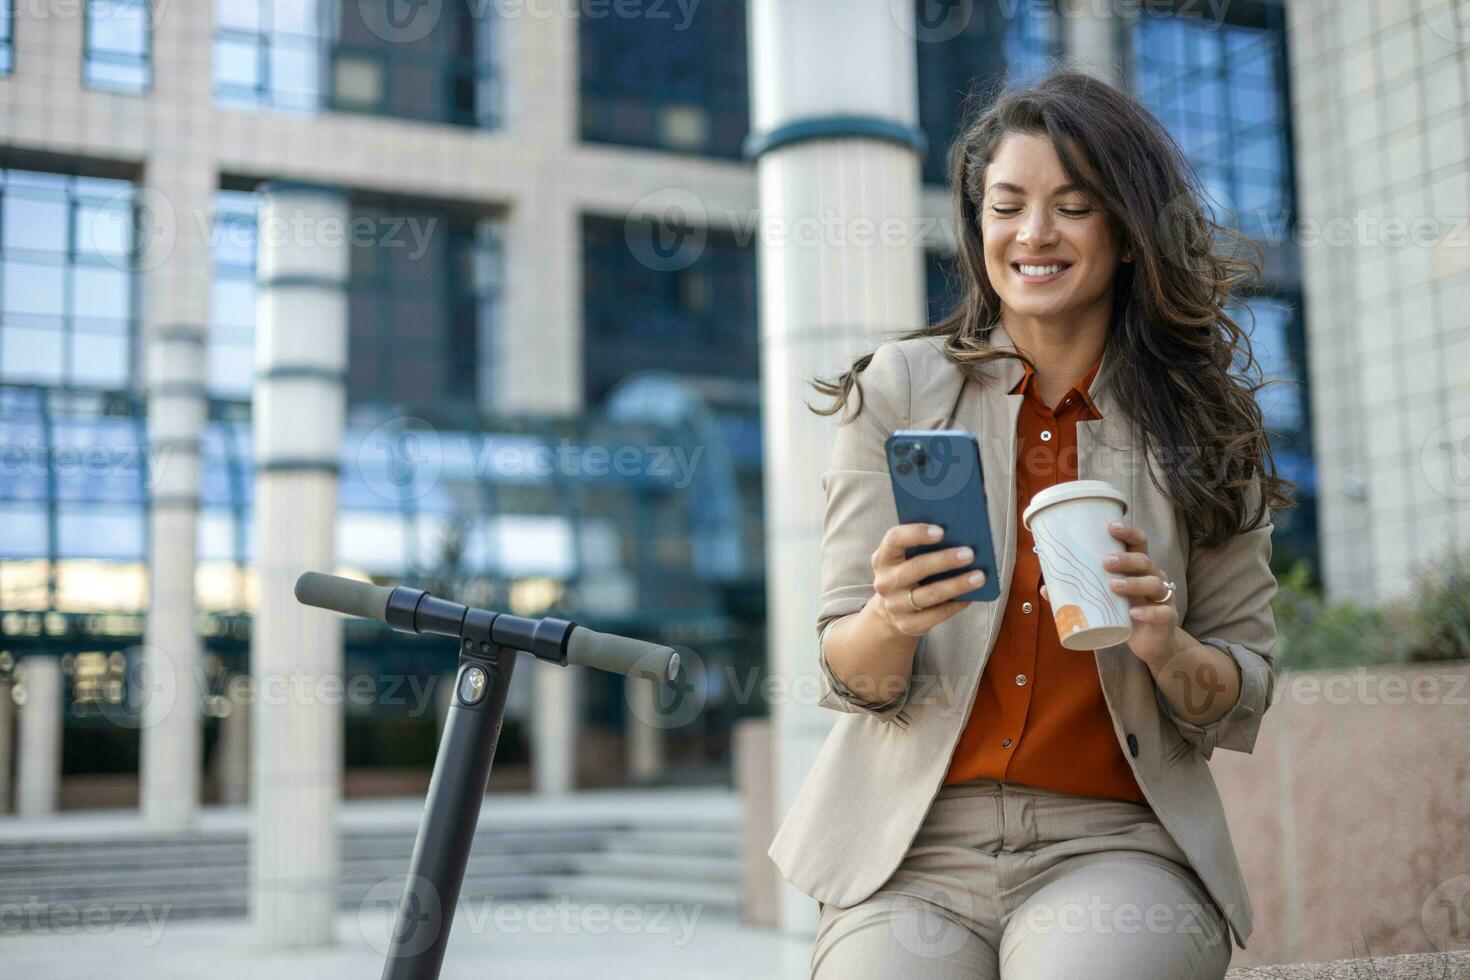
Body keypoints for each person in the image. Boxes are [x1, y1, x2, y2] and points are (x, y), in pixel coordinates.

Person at [767, 68, 1297, 980]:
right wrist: (892, 619)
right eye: (1005, 205)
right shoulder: (896, 389)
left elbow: (1238, 689)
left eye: (1073, 205)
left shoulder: (1205, 425)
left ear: (1129, 234)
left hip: (1118, 843)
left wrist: (1165, 644)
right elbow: (846, 670)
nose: (1033, 234)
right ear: (978, 228)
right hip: (913, 852)